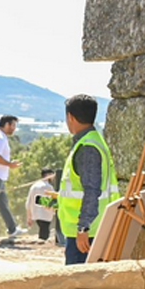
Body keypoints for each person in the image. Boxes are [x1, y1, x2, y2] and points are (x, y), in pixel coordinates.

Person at [58, 95, 118, 265]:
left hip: (86, 232)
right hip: (92, 227)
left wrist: (83, 227)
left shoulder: (87, 147)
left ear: (70, 117)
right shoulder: (94, 141)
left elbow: (91, 190)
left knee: (78, 277)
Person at [27, 168, 59, 243]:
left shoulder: (34, 186)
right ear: (48, 175)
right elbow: (52, 202)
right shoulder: (48, 187)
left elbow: (29, 202)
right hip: (46, 214)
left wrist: (29, 216)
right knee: (44, 234)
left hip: (36, 214)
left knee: (42, 231)